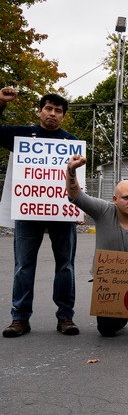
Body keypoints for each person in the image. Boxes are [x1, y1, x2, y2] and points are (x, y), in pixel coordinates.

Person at [0, 87, 80, 338]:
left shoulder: (72, 142)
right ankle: (19, 318)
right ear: (39, 112)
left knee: (65, 265)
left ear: (63, 116)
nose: (53, 114)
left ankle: (65, 316)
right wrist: (1, 103)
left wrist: (80, 205)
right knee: (23, 265)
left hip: (62, 211)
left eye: (58, 111)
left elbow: (77, 178)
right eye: (48, 109)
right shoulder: (22, 135)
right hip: (28, 211)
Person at [64, 154, 128, 339]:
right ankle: (120, 317)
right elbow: (76, 195)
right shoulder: (103, 211)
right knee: (106, 330)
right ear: (114, 199)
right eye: (126, 197)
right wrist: (71, 171)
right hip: (108, 284)